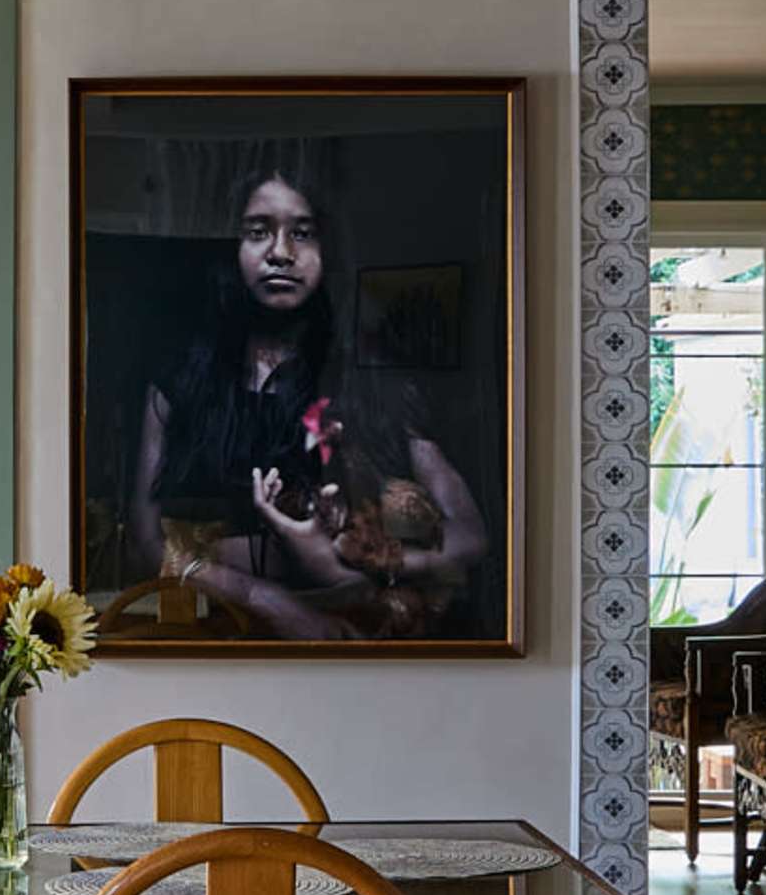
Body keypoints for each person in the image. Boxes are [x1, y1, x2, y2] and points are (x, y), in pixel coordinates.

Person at [117, 163, 491, 640]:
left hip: (348, 641)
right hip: (210, 639)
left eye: (302, 233)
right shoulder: (180, 382)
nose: (280, 252)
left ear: (327, 250)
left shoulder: (370, 385)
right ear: (233, 248)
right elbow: (143, 544)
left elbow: (471, 535)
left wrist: (384, 561)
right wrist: (263, 599)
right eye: (258, 232)